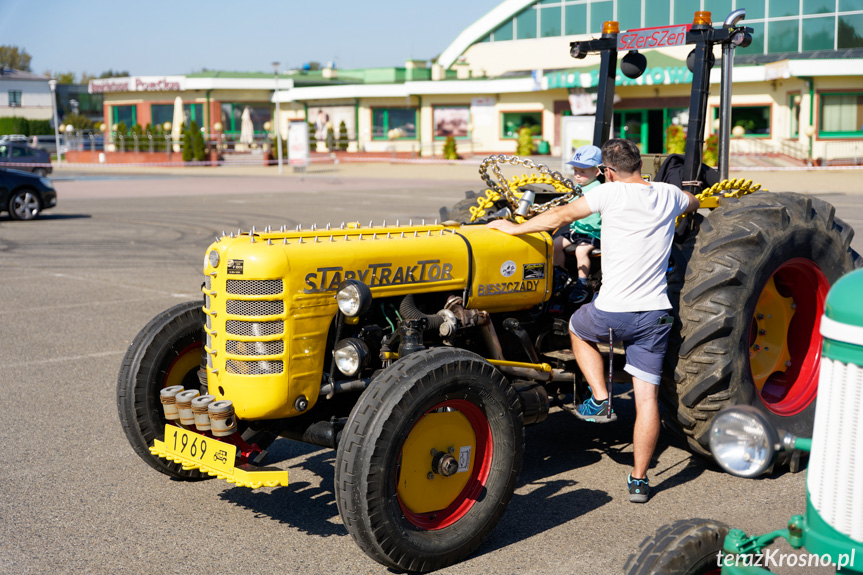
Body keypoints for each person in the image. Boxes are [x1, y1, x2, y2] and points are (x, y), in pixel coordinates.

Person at [487, 138, 699, 503]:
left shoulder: (608, 194)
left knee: (576, 327)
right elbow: (693, 201)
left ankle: (600, 398)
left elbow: (559, 216)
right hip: (655, 315)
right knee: (646, 399)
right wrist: (692, 198)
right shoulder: (668, 194)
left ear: (608, 172)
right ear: (640, 166)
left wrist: (512, 229)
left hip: (612, 313)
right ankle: (639, 480)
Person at [552, 145, 603, 292]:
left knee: (580, 251)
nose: (578, 175)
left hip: (592, 233)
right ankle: (561, 275)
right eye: (575, 171)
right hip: (577, 231)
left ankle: (582, 282)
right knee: (555, 244)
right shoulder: (578, 188)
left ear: (596, 171)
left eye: (582, 171)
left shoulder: (597, 190)